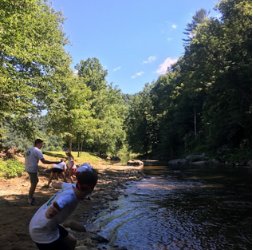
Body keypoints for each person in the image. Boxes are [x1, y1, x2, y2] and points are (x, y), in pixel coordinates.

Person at [29, 164, 98, 250]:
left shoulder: (71, 186)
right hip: (42, 232)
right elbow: (61, 201)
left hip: (43, 222)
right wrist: (51, 212)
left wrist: (54, 184)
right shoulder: (70, 197)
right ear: (90, 189)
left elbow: (60, 184)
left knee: (72, 241)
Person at [25, 139, 60, 205]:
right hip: (32, 169)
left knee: (35, 181)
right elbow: (43, 161)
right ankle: (30, 199)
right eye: (41, 144)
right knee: (34, 183)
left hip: (28, 167)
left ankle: (30, 196)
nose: (42, 145)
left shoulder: (29, 149)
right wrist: (55, 162)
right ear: (38, 143)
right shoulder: (37, 150)